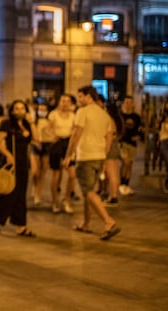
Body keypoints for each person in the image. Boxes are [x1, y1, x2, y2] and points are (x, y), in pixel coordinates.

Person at [63, 86, 120, 240]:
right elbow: (109, 138)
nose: (79, 100)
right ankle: (86, 224)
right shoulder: (104, 115)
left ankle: (108, 221)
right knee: (90, 192)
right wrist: (103, 156)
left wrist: (69, 155)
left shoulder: (83, 112)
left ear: (89, 97)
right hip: (99, 156)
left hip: (86, 156)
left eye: (80, 96)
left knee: (88, 191)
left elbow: (76, 134)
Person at [0, 99, 38, 237]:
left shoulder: (27, 124)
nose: (20, 111)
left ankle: (21, 225)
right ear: (12, 111)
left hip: (23, 163)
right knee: (9, 192)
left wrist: (32, 122)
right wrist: (8, 155)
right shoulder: (7, 123)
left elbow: (36, 139)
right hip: (10, 162)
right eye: (17, 108)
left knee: (21, 194)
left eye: (22, 108)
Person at [48, 94, 76, 214]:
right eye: (63, 100)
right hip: (57, 143)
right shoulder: (53, 115)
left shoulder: (74, 116)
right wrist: (52, 136)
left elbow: (75, 131)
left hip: (69, 144)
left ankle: (67, 199)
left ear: (70, 104)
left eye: (67, 101)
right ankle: (55, 201)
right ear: (59, 102)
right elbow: (47, 128)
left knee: (72, 175)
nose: (65, 103)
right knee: (56, 175)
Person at [30, 102, 53, 207]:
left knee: (43, 171)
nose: (42, 111)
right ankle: (35, 187)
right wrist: (34, 141)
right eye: (40, 109)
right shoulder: (33, 121)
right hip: (35, 145)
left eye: (44, 109)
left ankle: (38, 194)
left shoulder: (50, 121)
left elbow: (54, 134)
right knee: (35, 172)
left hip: (47, 145)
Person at [119, 95, 142, 195]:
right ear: (123, 104)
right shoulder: (120, 116)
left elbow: (140, 129)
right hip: (122, 142)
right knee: (125, 162)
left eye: (130, 102)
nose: (128, 104)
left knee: (130, 165)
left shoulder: (136, 117)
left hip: (132, 143)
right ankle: (121, 183)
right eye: (126, 102)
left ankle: (126, 184)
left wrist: (139, 136)